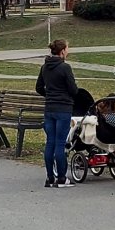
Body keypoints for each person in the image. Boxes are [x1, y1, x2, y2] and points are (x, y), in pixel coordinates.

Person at [35, 39, 79, 187]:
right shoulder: (65, 68)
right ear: (62, 51)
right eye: (67, 49)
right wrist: (68, 95)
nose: (68, 51)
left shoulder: (45, 67)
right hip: (63, 109)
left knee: (50, 142)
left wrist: (49, 95)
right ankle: (61, 177)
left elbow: (39, 87)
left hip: (49, 109)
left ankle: (50, 177)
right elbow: (73, 89)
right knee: (60, 144)